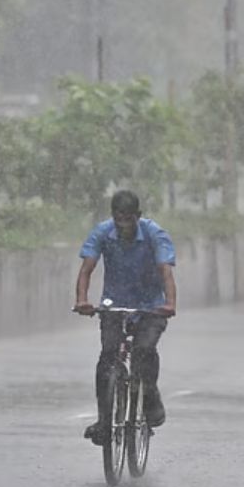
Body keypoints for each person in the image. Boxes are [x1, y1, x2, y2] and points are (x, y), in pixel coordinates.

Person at [73, 190, 177, 446]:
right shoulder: (102, 233)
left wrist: (169, 303)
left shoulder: (155, 234)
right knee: (107, 357)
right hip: (115, 305)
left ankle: (150, 397)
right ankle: (103, 420)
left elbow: (166, 272)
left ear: (137, 216)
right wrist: (82, 301)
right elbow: (87, 269)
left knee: (143, 350)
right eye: (118, 218)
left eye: (128, 219)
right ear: (113, 216)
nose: (123, 225)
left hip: (150, 307)